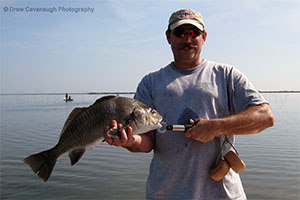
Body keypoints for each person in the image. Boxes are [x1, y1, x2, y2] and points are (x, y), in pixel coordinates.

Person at [105, 8, 274, 200]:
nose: (187, 39)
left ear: (204, 37)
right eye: (180, 33)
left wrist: (216, 127)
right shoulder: (150, 82)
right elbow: (147, 141)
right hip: (165, 194)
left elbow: (265, 117)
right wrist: (130, 141)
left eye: (193, 33)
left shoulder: (227, 75)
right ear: (168, 37)